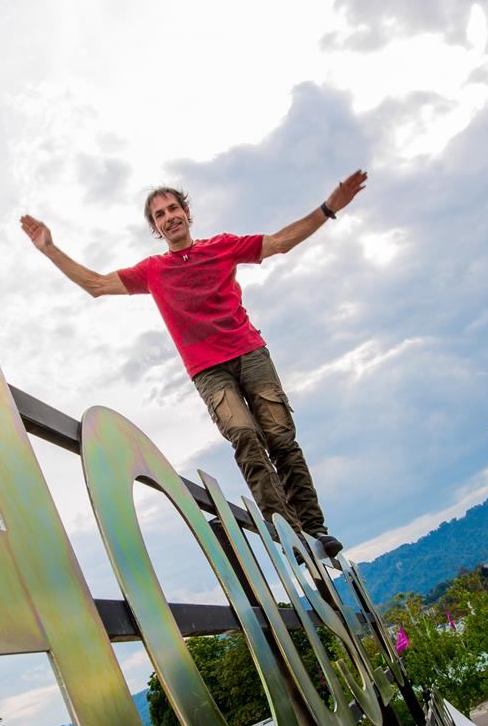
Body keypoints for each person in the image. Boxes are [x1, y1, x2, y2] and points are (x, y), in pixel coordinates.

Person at [19, 173, 370, 558]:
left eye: (173, 209)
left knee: (279, 436)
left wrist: (328, 208)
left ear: (187, 213)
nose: (169, 217)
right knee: (245, 436)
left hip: (249, 353)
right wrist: (49, 249)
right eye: (159, 215)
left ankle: (315, 527)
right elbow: (97, 285)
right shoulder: (153, 271)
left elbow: (281, 243)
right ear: (155, 228)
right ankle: (287, 531)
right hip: (208, 369)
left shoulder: (221, 247)